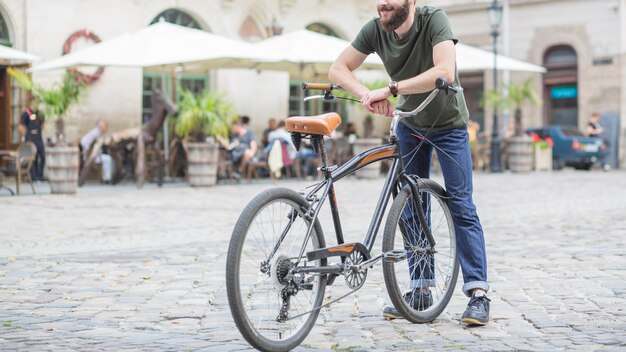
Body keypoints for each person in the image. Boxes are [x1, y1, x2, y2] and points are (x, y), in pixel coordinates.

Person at [329, 0, 490, 325]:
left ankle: (478, 293)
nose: (382, 4)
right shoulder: (376, 28)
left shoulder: (434, 20)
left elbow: (444, 71)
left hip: (448, 124)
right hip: (409, 124)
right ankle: (420, 288)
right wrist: (366, 94)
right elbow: (338, 69)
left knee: (460, 203)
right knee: (409, 206)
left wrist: (390, 89)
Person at [18, 98, 45, 181]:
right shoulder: (26, 113)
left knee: (42, 156)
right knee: (31, 157)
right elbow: (21, 126)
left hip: (38, 137)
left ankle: (40, 175)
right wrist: (25, 136)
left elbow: (43, 124)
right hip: (30, 137)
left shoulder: (40, 114)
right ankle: (33, 177)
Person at [80, 119, 114, 184]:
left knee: (108, 158)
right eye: (105, 126)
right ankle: (107, 179)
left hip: (93, 155)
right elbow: (83, 142)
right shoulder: (96, 133)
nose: (107, 127)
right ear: (101, 126)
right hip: (91, 156)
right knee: (108, 159)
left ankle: (106, 178)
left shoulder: (97, 132)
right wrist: (89, 151)